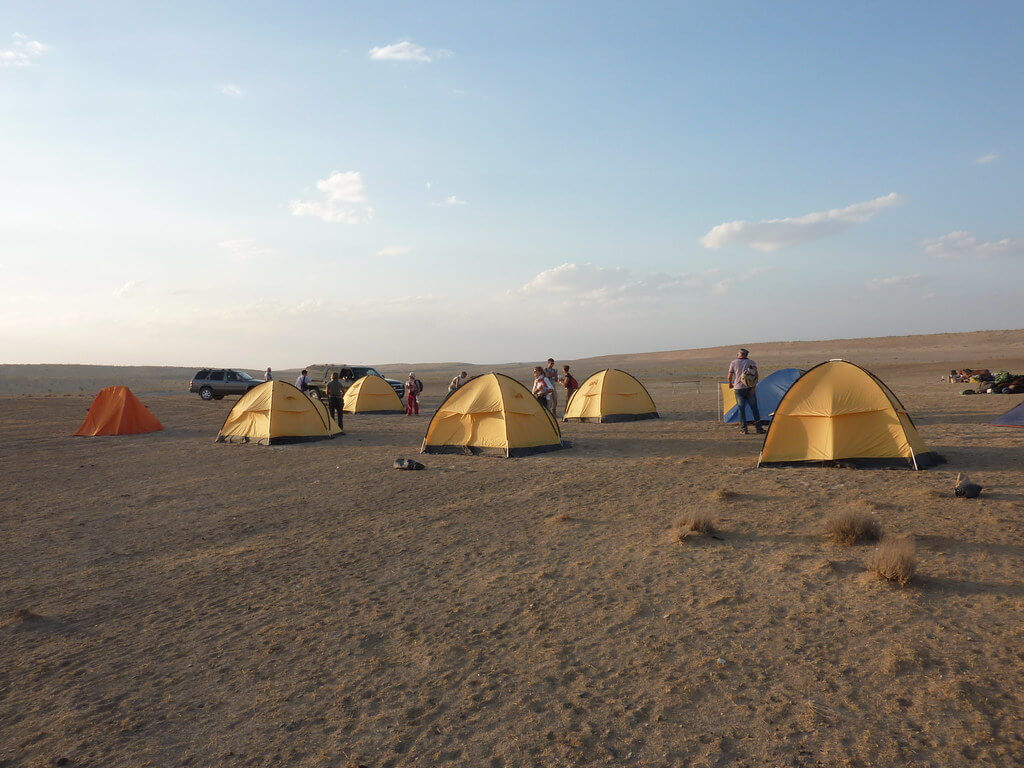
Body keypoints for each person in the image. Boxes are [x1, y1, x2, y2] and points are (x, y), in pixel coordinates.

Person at [727, 348, 764, 435]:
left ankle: (744, 429)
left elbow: (729, 376)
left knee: (741, 409)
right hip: (750, 388)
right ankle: (759, 428)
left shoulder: (733, 363)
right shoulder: (752, 362)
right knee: (754, 408)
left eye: (738, 353)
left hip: (738, 389)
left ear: (740, 354)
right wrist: (753, 387)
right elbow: (756, 375)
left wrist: (730, 384)